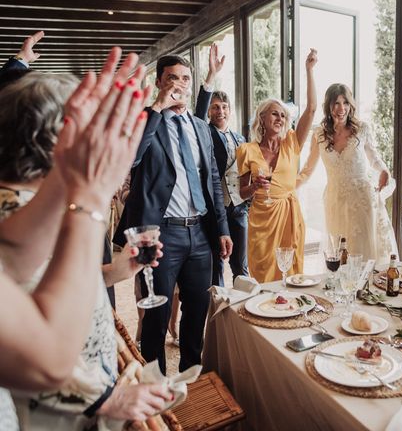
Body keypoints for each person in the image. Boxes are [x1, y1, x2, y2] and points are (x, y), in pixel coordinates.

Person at [0, 46, 171, 425]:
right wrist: (92, 193)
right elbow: (41, 357)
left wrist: (114, 272)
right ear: (56, 140)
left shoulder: (26, 210)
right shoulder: (11, 208)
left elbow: (37, 280)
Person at [114, 54, 232, 374]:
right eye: (172, 78)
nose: (179, 84)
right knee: (157, 314)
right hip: (161, 234)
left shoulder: (200, 127)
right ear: (159, 84)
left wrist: (221, 228)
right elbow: (132, 157)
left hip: (200, 234)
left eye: (184, 79)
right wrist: (157, 107)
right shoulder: (146, 122)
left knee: (196, 311)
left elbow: (212, 183)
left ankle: (192, 375)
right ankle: (155, 383)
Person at [237, 48, 318, 283]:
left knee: (291, 276)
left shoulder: (292, 142)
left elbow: (311, 110)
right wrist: (254, 188)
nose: (280, 119)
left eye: (283, 115)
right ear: (262, 118)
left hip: (289, 215)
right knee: (263, 277)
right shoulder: (246, 150)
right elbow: (241, 194)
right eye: (274, 114)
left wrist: (309, 69)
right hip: (261, 219)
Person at [297, 82, 397, 263]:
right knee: (339, 253)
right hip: (335, 200)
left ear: (351, 105)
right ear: (328, 106)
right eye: (336, 103)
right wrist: (288, 186)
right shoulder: (319, 134)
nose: (341, 108)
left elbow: (374, 158)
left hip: (362, 199)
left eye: (345, 103)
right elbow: (308, 168)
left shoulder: (362, 129)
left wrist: (383, 170)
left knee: (363, 251)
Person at [194, 43, 249, 284]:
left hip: (238, 209)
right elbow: (198, 114)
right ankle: (219, 317)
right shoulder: (204, 132)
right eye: (215, 107)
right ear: (209, 112)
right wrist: (211, 77)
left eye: (224, 107)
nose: (220, 111)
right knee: (216, 268)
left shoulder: (241, 138)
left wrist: (248, 203)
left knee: (241, 266)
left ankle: (242, 312)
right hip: (216, 210)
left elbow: (248, 171)